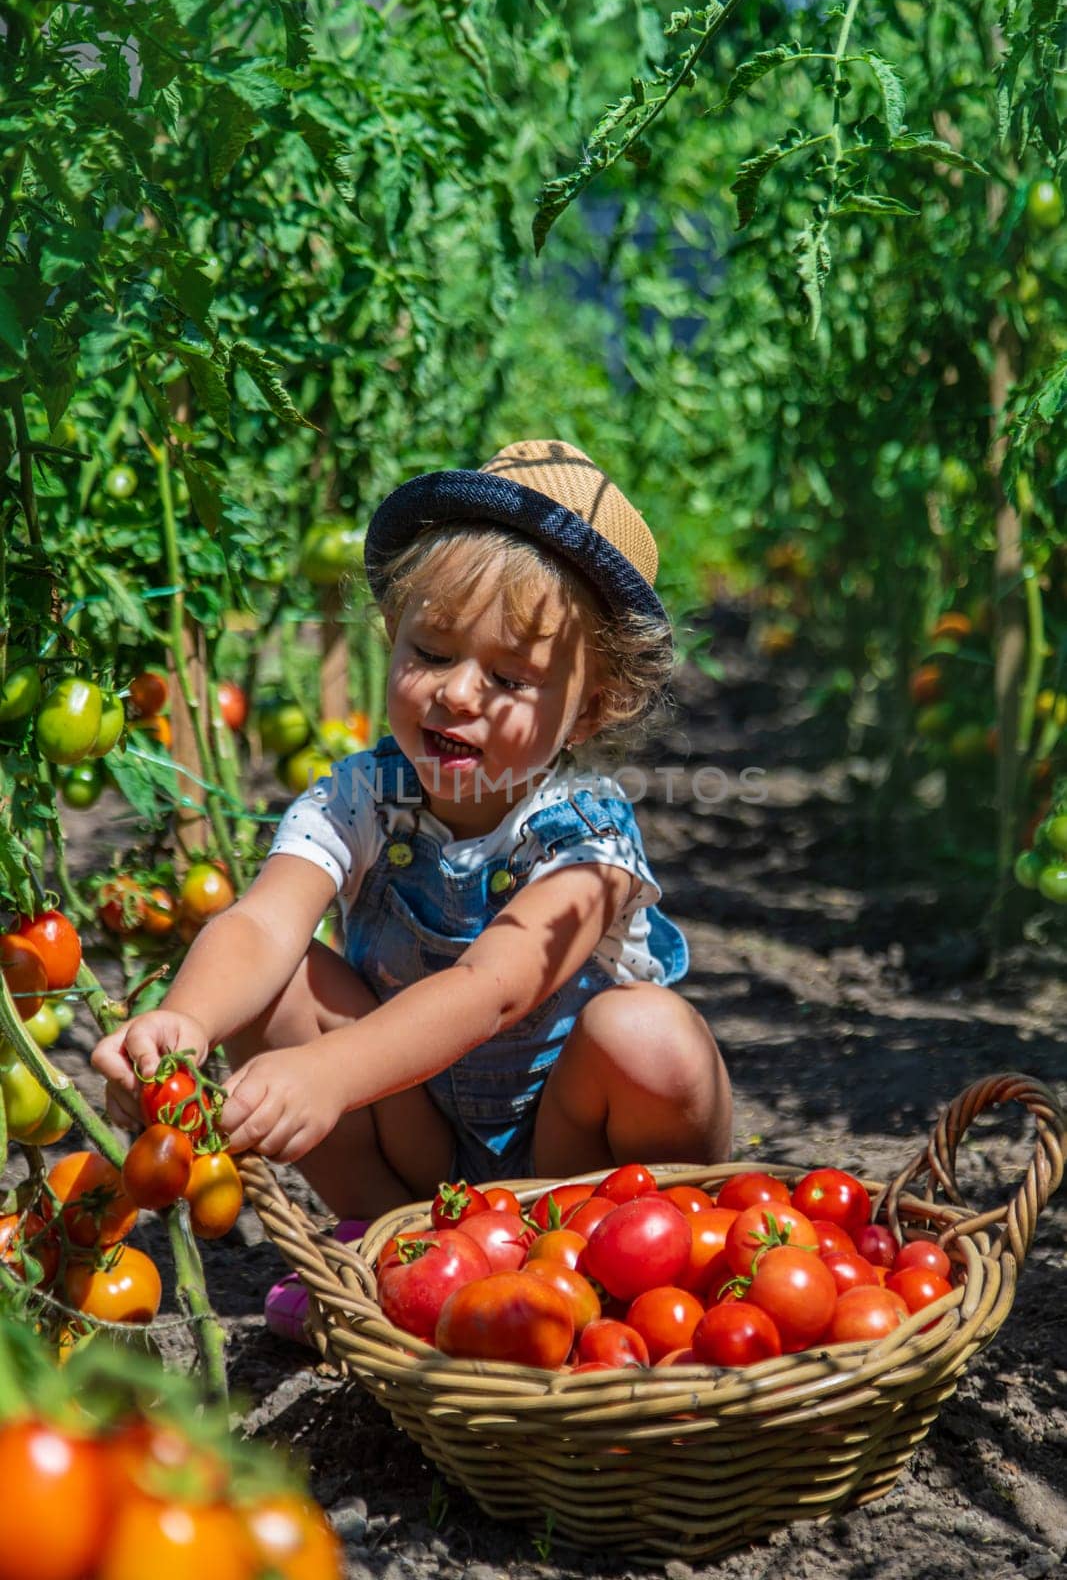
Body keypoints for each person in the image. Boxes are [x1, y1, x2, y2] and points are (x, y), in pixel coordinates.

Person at [92, 439, 733, 1233]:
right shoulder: (362, 794)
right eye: (431, 652)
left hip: (574, 1164)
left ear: (590, 710)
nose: (457, 692)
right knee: (275, 979)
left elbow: (491, 989)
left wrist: (326, 1072)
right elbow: (262, 921)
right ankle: (389, 1244)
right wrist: (184, 1022)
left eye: (507, 678)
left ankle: (622, 1254)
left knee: (649, 1037)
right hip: (416, 1146)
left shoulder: (585, 838)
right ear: (392, 635)